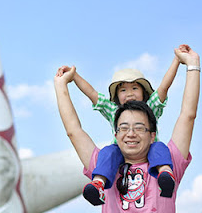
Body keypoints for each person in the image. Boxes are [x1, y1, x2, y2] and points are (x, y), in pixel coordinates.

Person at [54, 45, 200, 213]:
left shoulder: (170, 160)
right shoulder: (104, 164)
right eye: (123, 127)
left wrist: (192, 65)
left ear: (153, 134)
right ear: (115, 131)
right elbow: (74, 130)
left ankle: (159, 167)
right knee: (105, 163)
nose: (131, 133)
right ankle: (98, 186)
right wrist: (61, 85)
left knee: (162, 160)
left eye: (139, 127)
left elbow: (188, 115)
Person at [70, 56, 180, 205]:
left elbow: (164, 87)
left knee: (159, 147)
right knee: (108, 152)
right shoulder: (115, 111)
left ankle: (165, 174)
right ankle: (98, 184)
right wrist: (74, 76)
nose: (129, 93)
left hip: (148, 148)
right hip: (121, 152)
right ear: (117, 96)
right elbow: (93, 94)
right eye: (123, 90)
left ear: (143, 92)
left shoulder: (150, 107)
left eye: (134, 88)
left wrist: (176, 61)